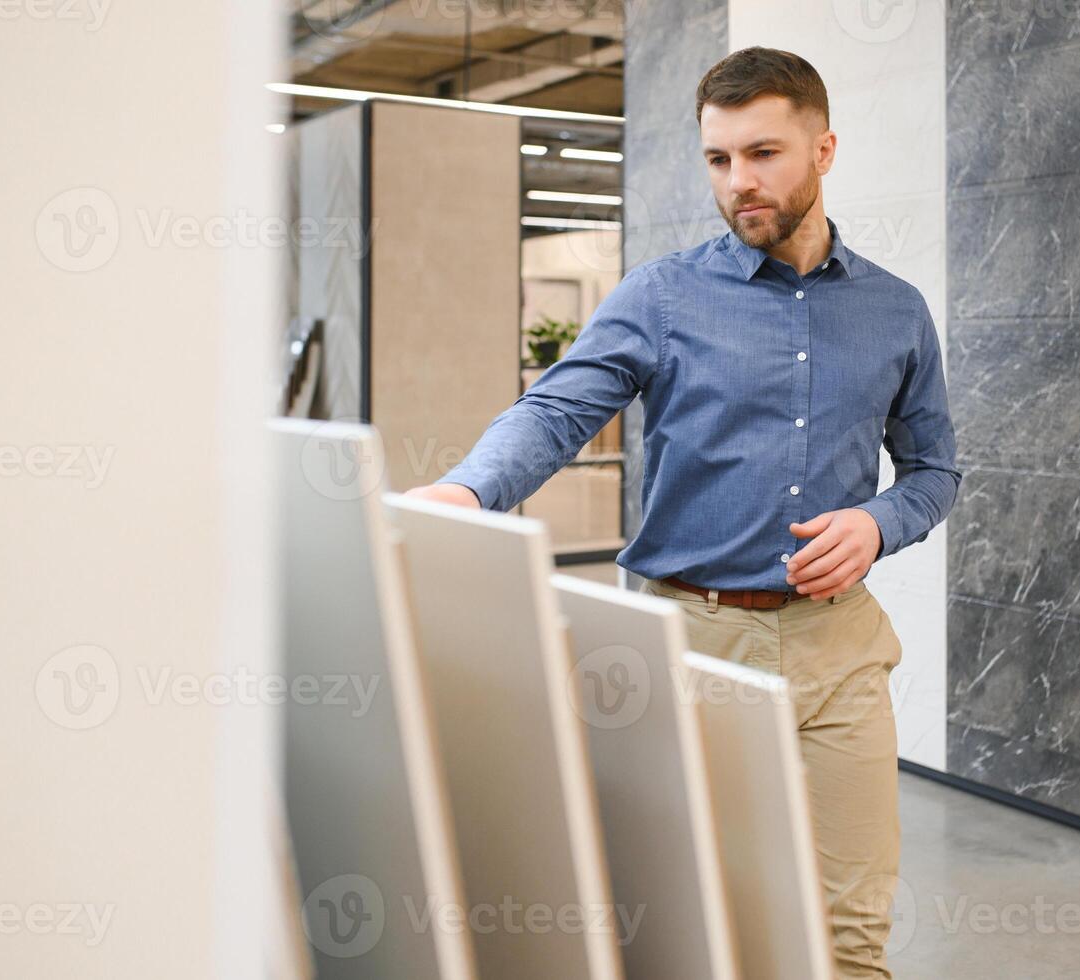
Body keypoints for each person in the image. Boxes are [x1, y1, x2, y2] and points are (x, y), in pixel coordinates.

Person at [408, 45, 960, 980]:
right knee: (682, 927)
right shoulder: (661, 297)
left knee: (849, 936)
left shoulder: (896, 311)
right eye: (718, 159)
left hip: (839, 653)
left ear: (823, 150)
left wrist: (877, 524)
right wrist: (466, 490)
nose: (738, 182)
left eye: (763, 154)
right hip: (688, 646)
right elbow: (558, 410)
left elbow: (933, 469)